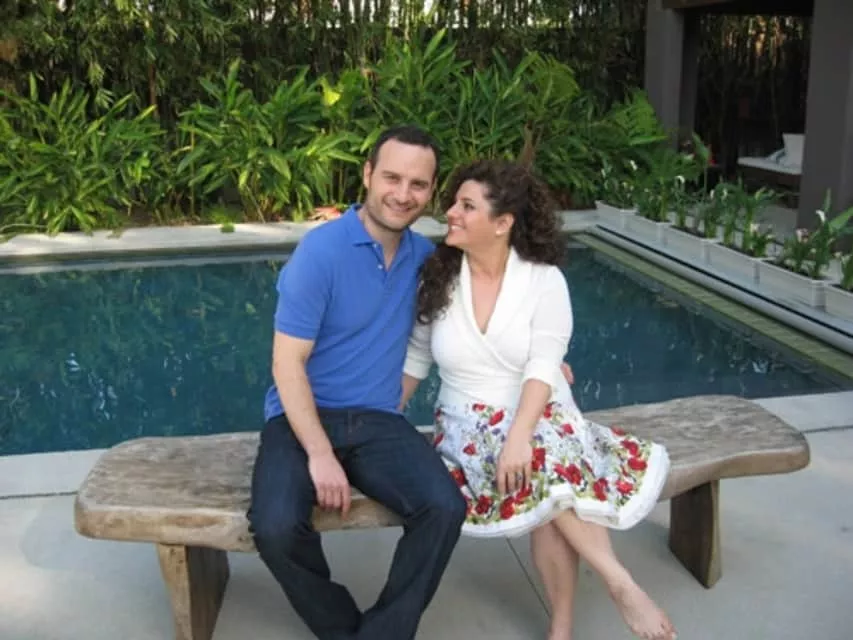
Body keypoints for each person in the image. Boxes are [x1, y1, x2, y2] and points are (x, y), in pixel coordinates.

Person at [400, 159, 677, 640]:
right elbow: (417, 358)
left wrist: (520, 436)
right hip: (467, 419)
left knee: (542, 466)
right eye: (454, 203)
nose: (451, 214)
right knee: (547, 473)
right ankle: (616, 583)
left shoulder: (543, 281)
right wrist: (382, 417)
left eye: (467, 206)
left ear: (503, 223)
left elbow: (544, 365)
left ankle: (570, 621)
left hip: (541, 409)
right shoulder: (438, 277)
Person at [246, 125, 468, 640]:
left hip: (377, 421)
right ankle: (343, 628)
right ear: (367, 175)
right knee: (275, 527)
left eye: (417, 184)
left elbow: (490, 291)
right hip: (301, 418)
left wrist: (547, 361)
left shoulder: (425, 259)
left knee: (444, 507)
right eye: (391, 177)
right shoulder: (320, 253)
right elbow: (287, 364)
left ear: (431, 191)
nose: (402, 194)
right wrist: (319, 453)